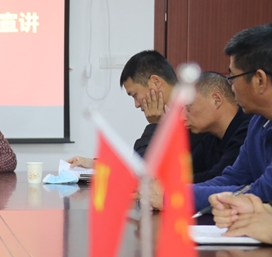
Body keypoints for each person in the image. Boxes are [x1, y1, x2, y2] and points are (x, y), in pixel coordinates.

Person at [68, 50, 202, 169]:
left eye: (135, 95)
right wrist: (95, 163)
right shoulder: (170, 115)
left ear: (155, 82)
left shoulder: (195, 119)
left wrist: (154, 125)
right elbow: (137, 163)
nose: (136, 104)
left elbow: (144, 171)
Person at [193, 24, 272, 211]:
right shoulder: (258, 122)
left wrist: (177, 196)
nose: (231, 87)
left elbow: (263, 192)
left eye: (233, 77)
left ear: (259, 80)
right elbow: (233, 179)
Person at [184, 72, 251, 183]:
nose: (183, 116)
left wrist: (170, 184)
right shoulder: (211, 137)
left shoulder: (248, 130)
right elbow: (186, 170)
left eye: (188, 106)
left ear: (216, 100)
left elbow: (219, 179)